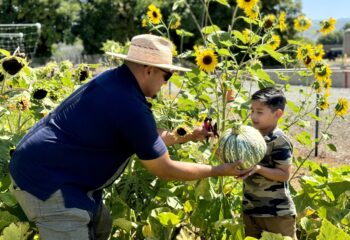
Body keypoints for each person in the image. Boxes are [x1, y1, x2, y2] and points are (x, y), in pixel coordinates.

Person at [9, 34, 247, 240]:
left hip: (60, 171)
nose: (166, 84)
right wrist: (218, 170)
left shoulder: (114, 81)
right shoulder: (129, 104)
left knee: (101, 226)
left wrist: (189, 135)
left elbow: (144, 137)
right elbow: (164, 169)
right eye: (168, 76)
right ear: (149, 70)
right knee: (75, 223)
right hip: (48, 181)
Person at [240, 87, 297, 239]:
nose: (253, 116)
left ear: (277, 114)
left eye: (259, 112)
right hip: (251, 209)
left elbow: (284, 174)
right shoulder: (250, 137)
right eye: (252, 111)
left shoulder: (278, 140)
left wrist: (258, 168)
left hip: (277, 213)